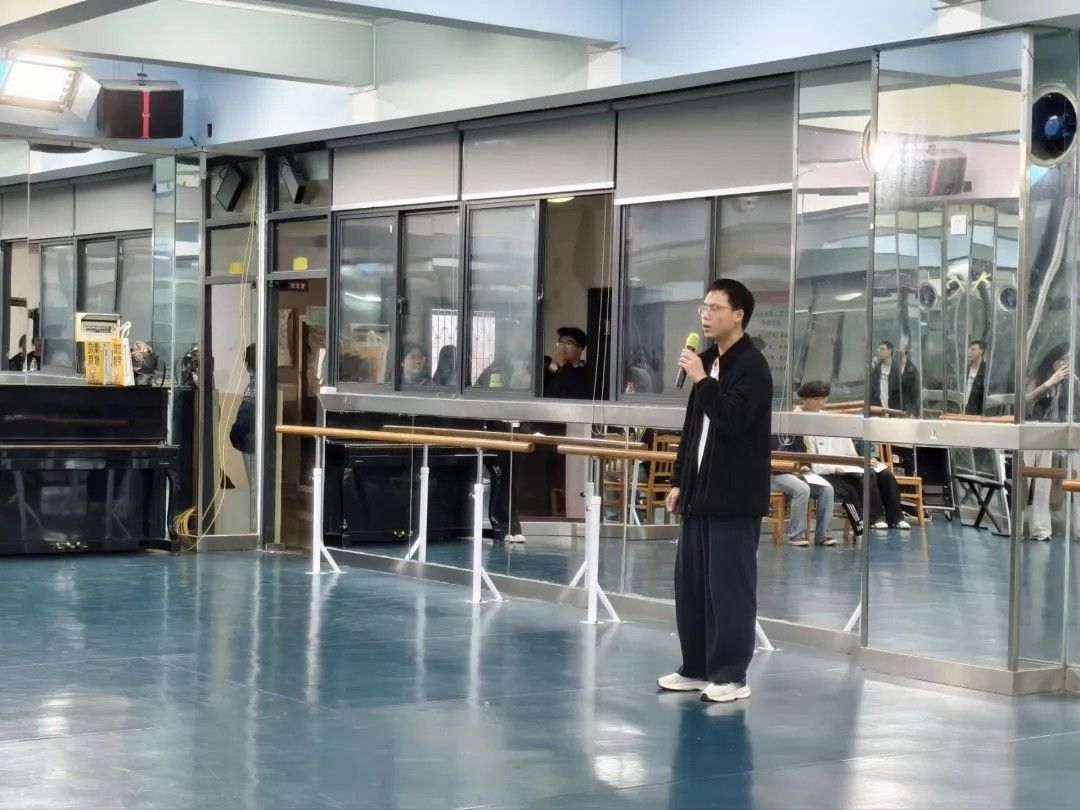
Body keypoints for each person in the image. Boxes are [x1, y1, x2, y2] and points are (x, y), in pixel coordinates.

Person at [656, 278, 772, 704]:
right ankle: (696, 667)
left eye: (715, 308)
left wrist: (702, 380)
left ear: (738, 315)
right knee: (692, 585)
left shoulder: (752, 366)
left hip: (734, 496)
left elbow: (733, 420)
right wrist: (678, 481)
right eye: (703, 308)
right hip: (698, 493)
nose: (706, 315)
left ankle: (731, 675)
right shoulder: (705, 362)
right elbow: (693, 432)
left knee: (729, 589)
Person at [798, 380, 910, 531]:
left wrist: (859, 461)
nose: (821, 403)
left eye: (823, 399)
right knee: (866, 477)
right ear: (804, 399)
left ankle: (896, 518)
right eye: (816, 399)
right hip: (823, 470)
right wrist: (836, 467)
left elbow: (849, 450)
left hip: (845, 466)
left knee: (885, 474)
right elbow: (812, 460)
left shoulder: (831, 419)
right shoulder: (799, 420)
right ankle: (875, 517)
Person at [1023, 343, 1071, 541]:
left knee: (1044, 484)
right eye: (1064, 359)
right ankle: (1015, 524)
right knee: (1024, 481)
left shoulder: (1070, 382)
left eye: (1069, 360)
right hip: (1031, 432)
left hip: (1051, 435)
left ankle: (1041, 529)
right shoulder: (1039, 377)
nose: (1067, 363)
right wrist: (1049, 383)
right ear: (1054, 361)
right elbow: (1026, 401)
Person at [770, 434, 837, 547]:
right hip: (775, 475)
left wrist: (806, 466)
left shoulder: (798, 436)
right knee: (802, 488)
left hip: (797, 473)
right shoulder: (772, 432)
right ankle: (795, 535)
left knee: (827, 489)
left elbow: (804, 457)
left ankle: (822, 535)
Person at [229, 344, 258, 529]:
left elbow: (245, 417)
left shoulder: (253, 385)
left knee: (256, 490)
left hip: (251, 444)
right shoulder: (268, 382)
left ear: (248, 364)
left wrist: (234, 436)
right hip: (266, 444)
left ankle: (256, 529)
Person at [543, 326, 593, 399]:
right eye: (560, 343)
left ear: (580, 349)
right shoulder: (551, 368)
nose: (562, 347)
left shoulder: (586, 372)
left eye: (568, 344)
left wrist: (564, 365)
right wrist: (551, 370)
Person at [869, 341, 902, 412]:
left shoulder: (897, 370)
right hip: (879, 410)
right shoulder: (876, 370)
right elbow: (872, 391)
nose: (879, 351)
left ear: (890, 351)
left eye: (882, 349)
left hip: (894, 410)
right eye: (879, 349)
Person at [964, 340, 987, 415]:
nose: (970, 352)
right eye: (969, 350)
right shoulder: (965, 369)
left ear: (981, 351)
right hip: (963, 410)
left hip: (978, 412)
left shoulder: (986, 370)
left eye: (973, 350)